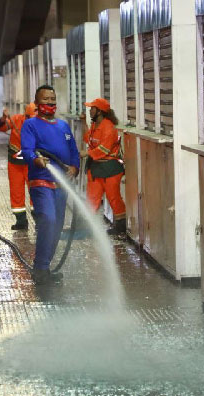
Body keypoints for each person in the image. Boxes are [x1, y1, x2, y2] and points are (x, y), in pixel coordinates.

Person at [20, 84, 80, 285]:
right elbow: (27, 149)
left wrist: (74, 167)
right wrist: (35, 159)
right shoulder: (30, 125)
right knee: (48, 218)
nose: (50, 102)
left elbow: (73, 151)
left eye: (53, 99)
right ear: (37, 103)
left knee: (57, 226)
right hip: (41, 181)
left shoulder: (63, 126)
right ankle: (40, 268)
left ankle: (44, 267)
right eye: (45, 99)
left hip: (61, 185)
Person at [81, 98, 126, 236]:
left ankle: (120, 227)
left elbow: (104, 150)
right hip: (96, 168)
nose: (90, 110)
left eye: (92, 108)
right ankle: (87, 227)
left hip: (110, 169)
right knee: (92, 198)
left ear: (99, 111)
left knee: (114, 197)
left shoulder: (109, 128)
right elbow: (87, 138)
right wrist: (84, 122)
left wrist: (86, 153)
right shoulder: (95, 125)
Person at [0, 103, 37, 230]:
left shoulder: (42, 124)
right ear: (26, 115)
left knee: (36, 191)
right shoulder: (16, 120)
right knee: (16, 192)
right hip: (15, 163)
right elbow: (1, 128)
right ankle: (21, 221)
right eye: (30, 118)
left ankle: (39, 220)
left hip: (32, 163)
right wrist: (3, 119)